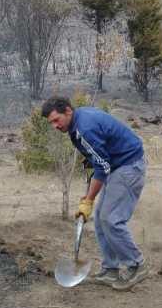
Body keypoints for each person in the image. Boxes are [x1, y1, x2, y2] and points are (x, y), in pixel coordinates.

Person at [41, 96, 148, 291]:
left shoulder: (85, 128)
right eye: (51, 123)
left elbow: (102, 166)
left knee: (111, 219)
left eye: (56, 120)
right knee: (100, 219)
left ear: (67, 111)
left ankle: (136, 265)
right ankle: (110, 269)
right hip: (118, 166)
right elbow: (95, 159)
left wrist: (88, 200)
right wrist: (88, 196)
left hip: (128, 166)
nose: (55, 126)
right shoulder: (77, 122)